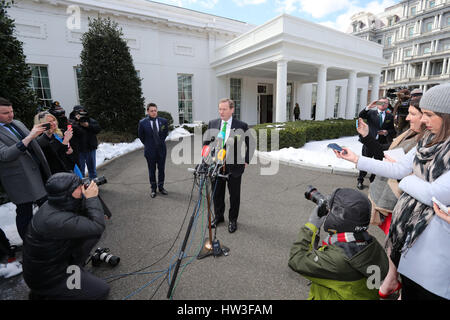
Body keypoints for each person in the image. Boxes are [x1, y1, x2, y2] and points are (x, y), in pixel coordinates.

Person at [334, 83, 450, 299]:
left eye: (429, 114)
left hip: (437, 256)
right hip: (410, 241)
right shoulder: (428, 141)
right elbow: (397, 168)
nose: (422, 120)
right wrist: (356, 159)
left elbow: (433, 194)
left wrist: (407, 181)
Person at [357, 97, 424, 299]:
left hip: (400, 202)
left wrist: (403, 171)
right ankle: (393, 279)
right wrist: (368, 137)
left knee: (400, 248)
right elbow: (385, 156)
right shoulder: (411, 132)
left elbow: (398, 169)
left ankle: (396, 282)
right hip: (390, 197)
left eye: (414, 114)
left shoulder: (426, 140)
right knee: (393, 244)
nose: (407, 118)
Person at [288, 188, 389, 300]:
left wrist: (312, 225)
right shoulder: (370, 243)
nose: (328, 212)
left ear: (339, 220)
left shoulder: (337, 260)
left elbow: (296, 259)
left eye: (331, 210)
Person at [23, 172, 109, 300]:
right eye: (79, 187)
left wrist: (89, 201)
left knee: (88, 236)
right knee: (101, 291)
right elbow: (97, 226)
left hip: (56, 264)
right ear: (67, 194)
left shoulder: (55, 204)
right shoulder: (55, 220)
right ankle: (46, 294)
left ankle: (72, 275)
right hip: (49, 278)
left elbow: (84, 215)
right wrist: (92, 198)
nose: (82, 188)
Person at [0, 97, 51, 240]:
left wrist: (47, 135)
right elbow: (4, 155)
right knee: (24, 213)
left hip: (38, 173)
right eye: (5, 113)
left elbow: (33, 144)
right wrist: (30, 137)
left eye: (11, 111)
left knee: (47, 208)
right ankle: (29, 244)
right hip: (18, 180)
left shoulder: (17, 123)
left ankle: (50, 238)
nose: (11, 115)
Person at [204, 98, 251, 233]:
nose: (221, 112)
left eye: (224, 109)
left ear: (232, 110)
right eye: (219, 109)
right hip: (216, 166)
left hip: (234, 167)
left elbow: (250, 143)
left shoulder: (241, 125)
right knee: (217, 194)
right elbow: (206, 143)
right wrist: (206, 159)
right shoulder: (212, 123)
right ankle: (219, 217)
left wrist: (246, 160)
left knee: (234, 195)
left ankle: (232, 220)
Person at [356, 97, 396, 190]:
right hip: (369, 142)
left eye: (385, 103)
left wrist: (386, 132)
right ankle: (360, 180)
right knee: (365, 162)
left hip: (381, 144)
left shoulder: (390, 116)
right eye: (381, 103)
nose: (383, 105)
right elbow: (361, 115)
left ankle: (372, 180)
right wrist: (369, 106)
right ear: (377, 104)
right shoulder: (371, 113)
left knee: (378, 163)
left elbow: (393, 130)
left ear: (387, 105)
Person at [138, 103, 169, 198]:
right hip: (150, 151)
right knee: (151, 170)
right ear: (147, 111)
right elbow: (141, 136)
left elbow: (165, 133)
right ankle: (153, 189)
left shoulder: (163, 121)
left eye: (155, 110)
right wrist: (149, 145)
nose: (154, 112)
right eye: (151, 111)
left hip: (161, 150)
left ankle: (161, 187)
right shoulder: (142, 123)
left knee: (161, 170)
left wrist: (159, 142)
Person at [34, 111, 79, 176]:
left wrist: (70, 152)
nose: (54, 123)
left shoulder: (53, 136)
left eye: (54, 120)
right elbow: (56, 158)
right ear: (42, 124)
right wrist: (65, 141)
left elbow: (65, 157)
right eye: (50, 122)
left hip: (68, 172)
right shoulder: (41, 141)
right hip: (58, 177)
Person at [69, 105, 101, 179]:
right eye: (78, 112)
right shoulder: (71, 121)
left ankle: (94, 182)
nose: (81, 113)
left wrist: (88, 125)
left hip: (90, 147)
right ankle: (81, 184)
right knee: (80, 169)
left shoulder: (90, 120)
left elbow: (98, 129)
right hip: (78, 149)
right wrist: (76, 123)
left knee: (92, 168)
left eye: (82, 111)